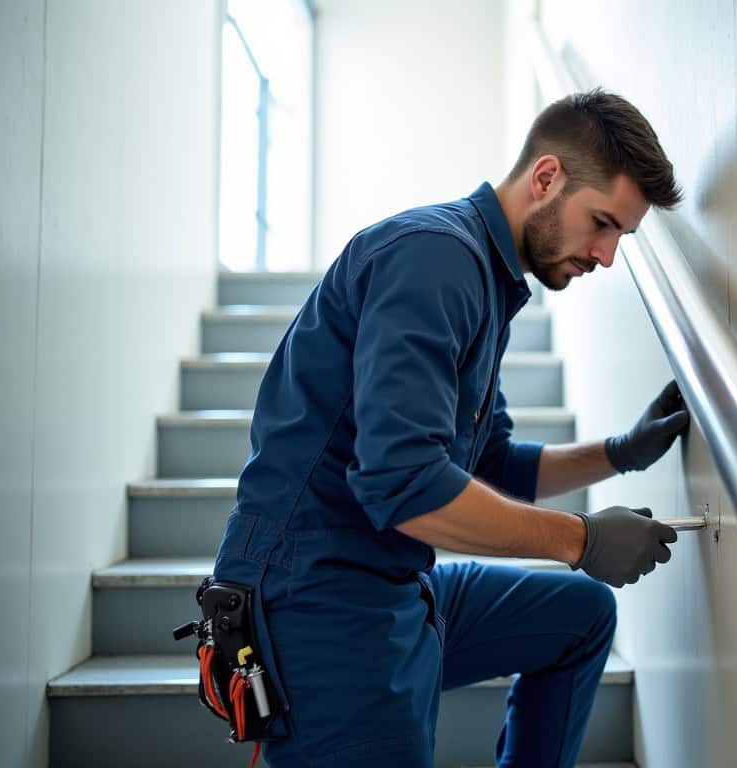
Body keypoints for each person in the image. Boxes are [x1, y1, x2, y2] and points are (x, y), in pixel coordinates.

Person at [211, 88, 688, 767]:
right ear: (547, 177)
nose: (607, 255)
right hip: (314, 596)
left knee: (580, 617)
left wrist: (620, 453)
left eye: (621, 236)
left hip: (396, 580)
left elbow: (490, 463)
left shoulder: (487, 282)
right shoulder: (436, 260)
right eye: (602, 223)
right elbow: (405, 485)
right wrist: (581, 539)